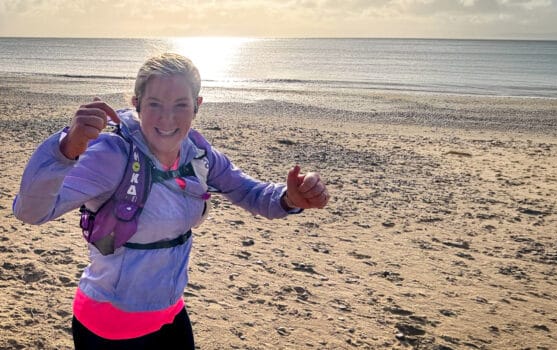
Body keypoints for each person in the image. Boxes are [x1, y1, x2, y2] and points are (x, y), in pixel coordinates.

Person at [12, 52, 329, 349]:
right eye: (154, 104)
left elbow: (252, 194)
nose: (167, 118)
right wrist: (66, 149)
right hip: (108, 323)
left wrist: (291, 197)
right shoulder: (112, 153)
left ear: (197, 105)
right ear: (137, 104)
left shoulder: (198, 154)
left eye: (180, 105)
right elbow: (31, 212)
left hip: (170, 313)